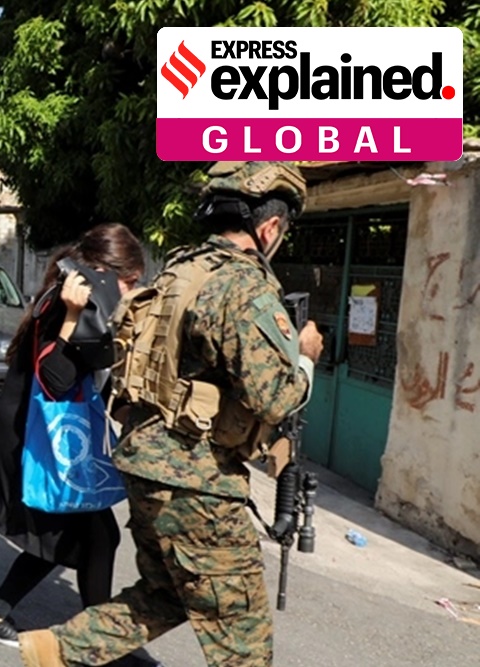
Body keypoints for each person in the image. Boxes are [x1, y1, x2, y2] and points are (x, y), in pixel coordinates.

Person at [18, 161, 325, 667]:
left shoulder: (179, 272)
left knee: (167, 594)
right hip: (197, 480)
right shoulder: (243, 286)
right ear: (270, 228)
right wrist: (307, 358)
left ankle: (54, 650)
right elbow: (273, 397)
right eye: (282, 231)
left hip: (146, 467)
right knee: (241, 631)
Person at [0, 225, 145, 654]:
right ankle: (98, 645)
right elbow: (56, 379)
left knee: (69, 534)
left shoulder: (95, 307)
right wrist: (69, 317)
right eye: (129, 282)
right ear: (101, 272)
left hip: (52, 437)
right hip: (30, 439)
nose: (132, 292)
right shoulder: (61, 306)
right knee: (92, 533)